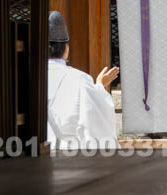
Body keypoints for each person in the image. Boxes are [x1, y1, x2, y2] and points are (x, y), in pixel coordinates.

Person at [46, 10, 120, 149]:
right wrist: (98, 87)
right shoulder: (80, 79)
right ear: (66, 49)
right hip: (68, 157)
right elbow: (96, 123)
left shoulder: (20, 79)